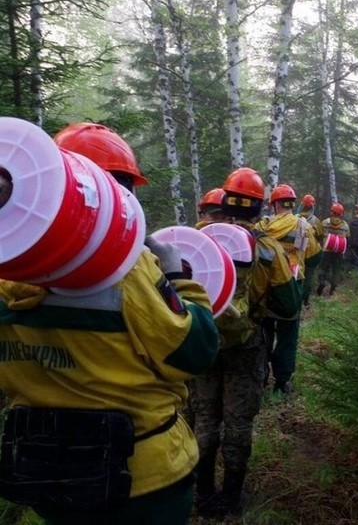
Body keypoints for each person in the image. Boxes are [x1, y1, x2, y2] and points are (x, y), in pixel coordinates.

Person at [0, 122, 221, 525]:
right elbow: (195, 352)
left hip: (45, 472)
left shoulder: (5, 269)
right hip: (142, 478)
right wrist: (179, 280)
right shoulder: (129, 268)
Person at [192, 168, 301, 518]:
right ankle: (231, 500)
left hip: (205, 341)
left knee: (205, 417)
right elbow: (288, 306)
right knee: (239, 423)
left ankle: (203, 495)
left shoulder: (197, 239)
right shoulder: (267, 248)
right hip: (248, 343)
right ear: (259, 207)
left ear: (225, 201)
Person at [256, 184, 321, 395]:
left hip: (265, 287)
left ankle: (261, 374)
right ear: (292, 204)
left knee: (263, 331)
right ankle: (283, 381)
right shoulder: (304, 227)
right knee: (288, 334)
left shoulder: (262, 226)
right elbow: (315, 257)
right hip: (292, 286)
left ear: (274, 204)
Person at [317, 202, 350, 297]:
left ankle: (322, 281)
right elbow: (347, 238)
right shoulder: (345, 226)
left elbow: (319, 234)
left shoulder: (324, 222)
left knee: (323, 268)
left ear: (332, 212)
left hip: (326, 250)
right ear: (341, 214)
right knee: (336, 270)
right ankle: (333, 289)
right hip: (338, 252)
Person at [298, 194, 324, 308]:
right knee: (308, 276)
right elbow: (320, 235)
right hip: (311, 252)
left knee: (297, 275)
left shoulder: (295, 217)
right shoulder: (315, 220)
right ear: (313, 206)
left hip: (298, 249)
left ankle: (296, 298)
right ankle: (305, 301)